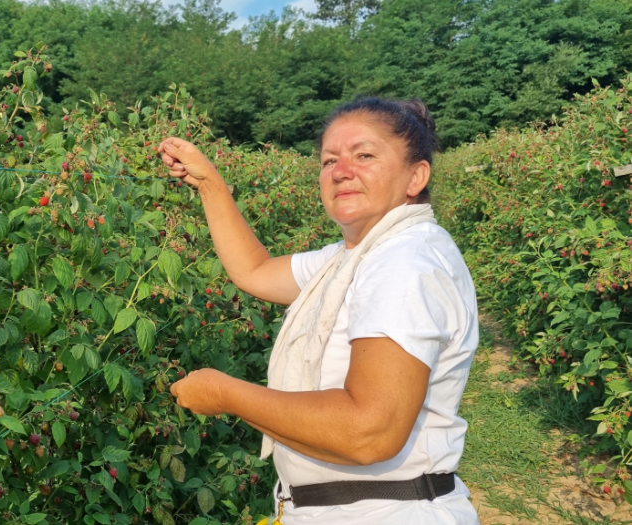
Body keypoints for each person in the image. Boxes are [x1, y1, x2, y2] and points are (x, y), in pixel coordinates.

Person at [157, 97, 480, 524]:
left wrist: (226, 394)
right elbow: (254, 270)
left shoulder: (403, 265)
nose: (341, 170)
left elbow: (369, 431)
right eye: (329, 160)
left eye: (364, 155)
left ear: (416, 175)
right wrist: (209, 183)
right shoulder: (355, 257)